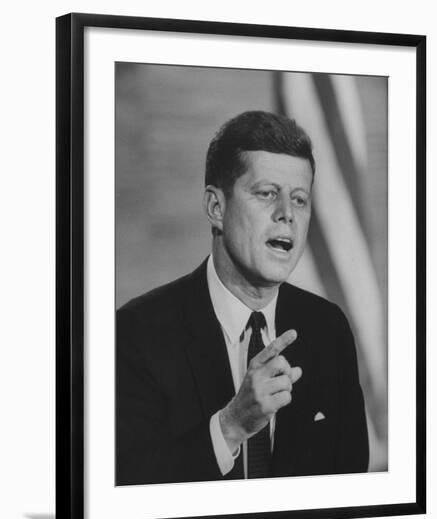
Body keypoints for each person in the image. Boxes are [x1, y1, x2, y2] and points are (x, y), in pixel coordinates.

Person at [116, 110, 369, 486]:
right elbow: (125, 488)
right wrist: (231, 426)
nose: (287, 215)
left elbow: (350, 486)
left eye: (299, 199)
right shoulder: (136, 333)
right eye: (267, 194)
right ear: (216, 208)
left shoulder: (328, 329)